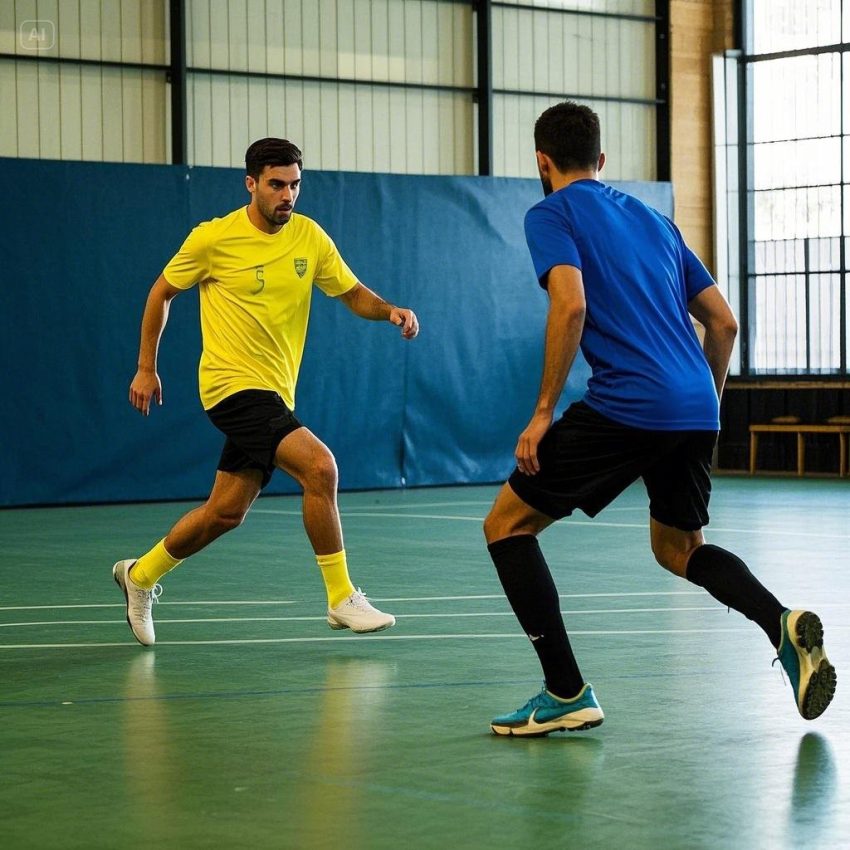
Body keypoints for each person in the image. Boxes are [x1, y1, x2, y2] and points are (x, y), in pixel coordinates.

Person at [483, 102, 836, 736]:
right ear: (602, 159)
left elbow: (570, 307)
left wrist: (542, 413)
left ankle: (565, 691)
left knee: (507, 526)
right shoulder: (656, 220)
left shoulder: (551, 212)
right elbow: (724, 324)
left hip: (629, 402)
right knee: (678, 549)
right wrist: (708, 404)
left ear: (542, 161)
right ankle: (779, 623)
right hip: (695, 402)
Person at [114, 137, 419, 646]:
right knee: (320, 467)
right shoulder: (214, 238)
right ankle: (341, 597)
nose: (288, 195)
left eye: (295, 184)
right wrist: (146, 367)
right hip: (230, 387)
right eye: (277, 184)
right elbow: (161, 293)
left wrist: (389, 310)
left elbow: (350, 292)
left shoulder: (309, 237)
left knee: (224, 513)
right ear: (251, 183)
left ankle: (139, 575)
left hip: (276, 393)